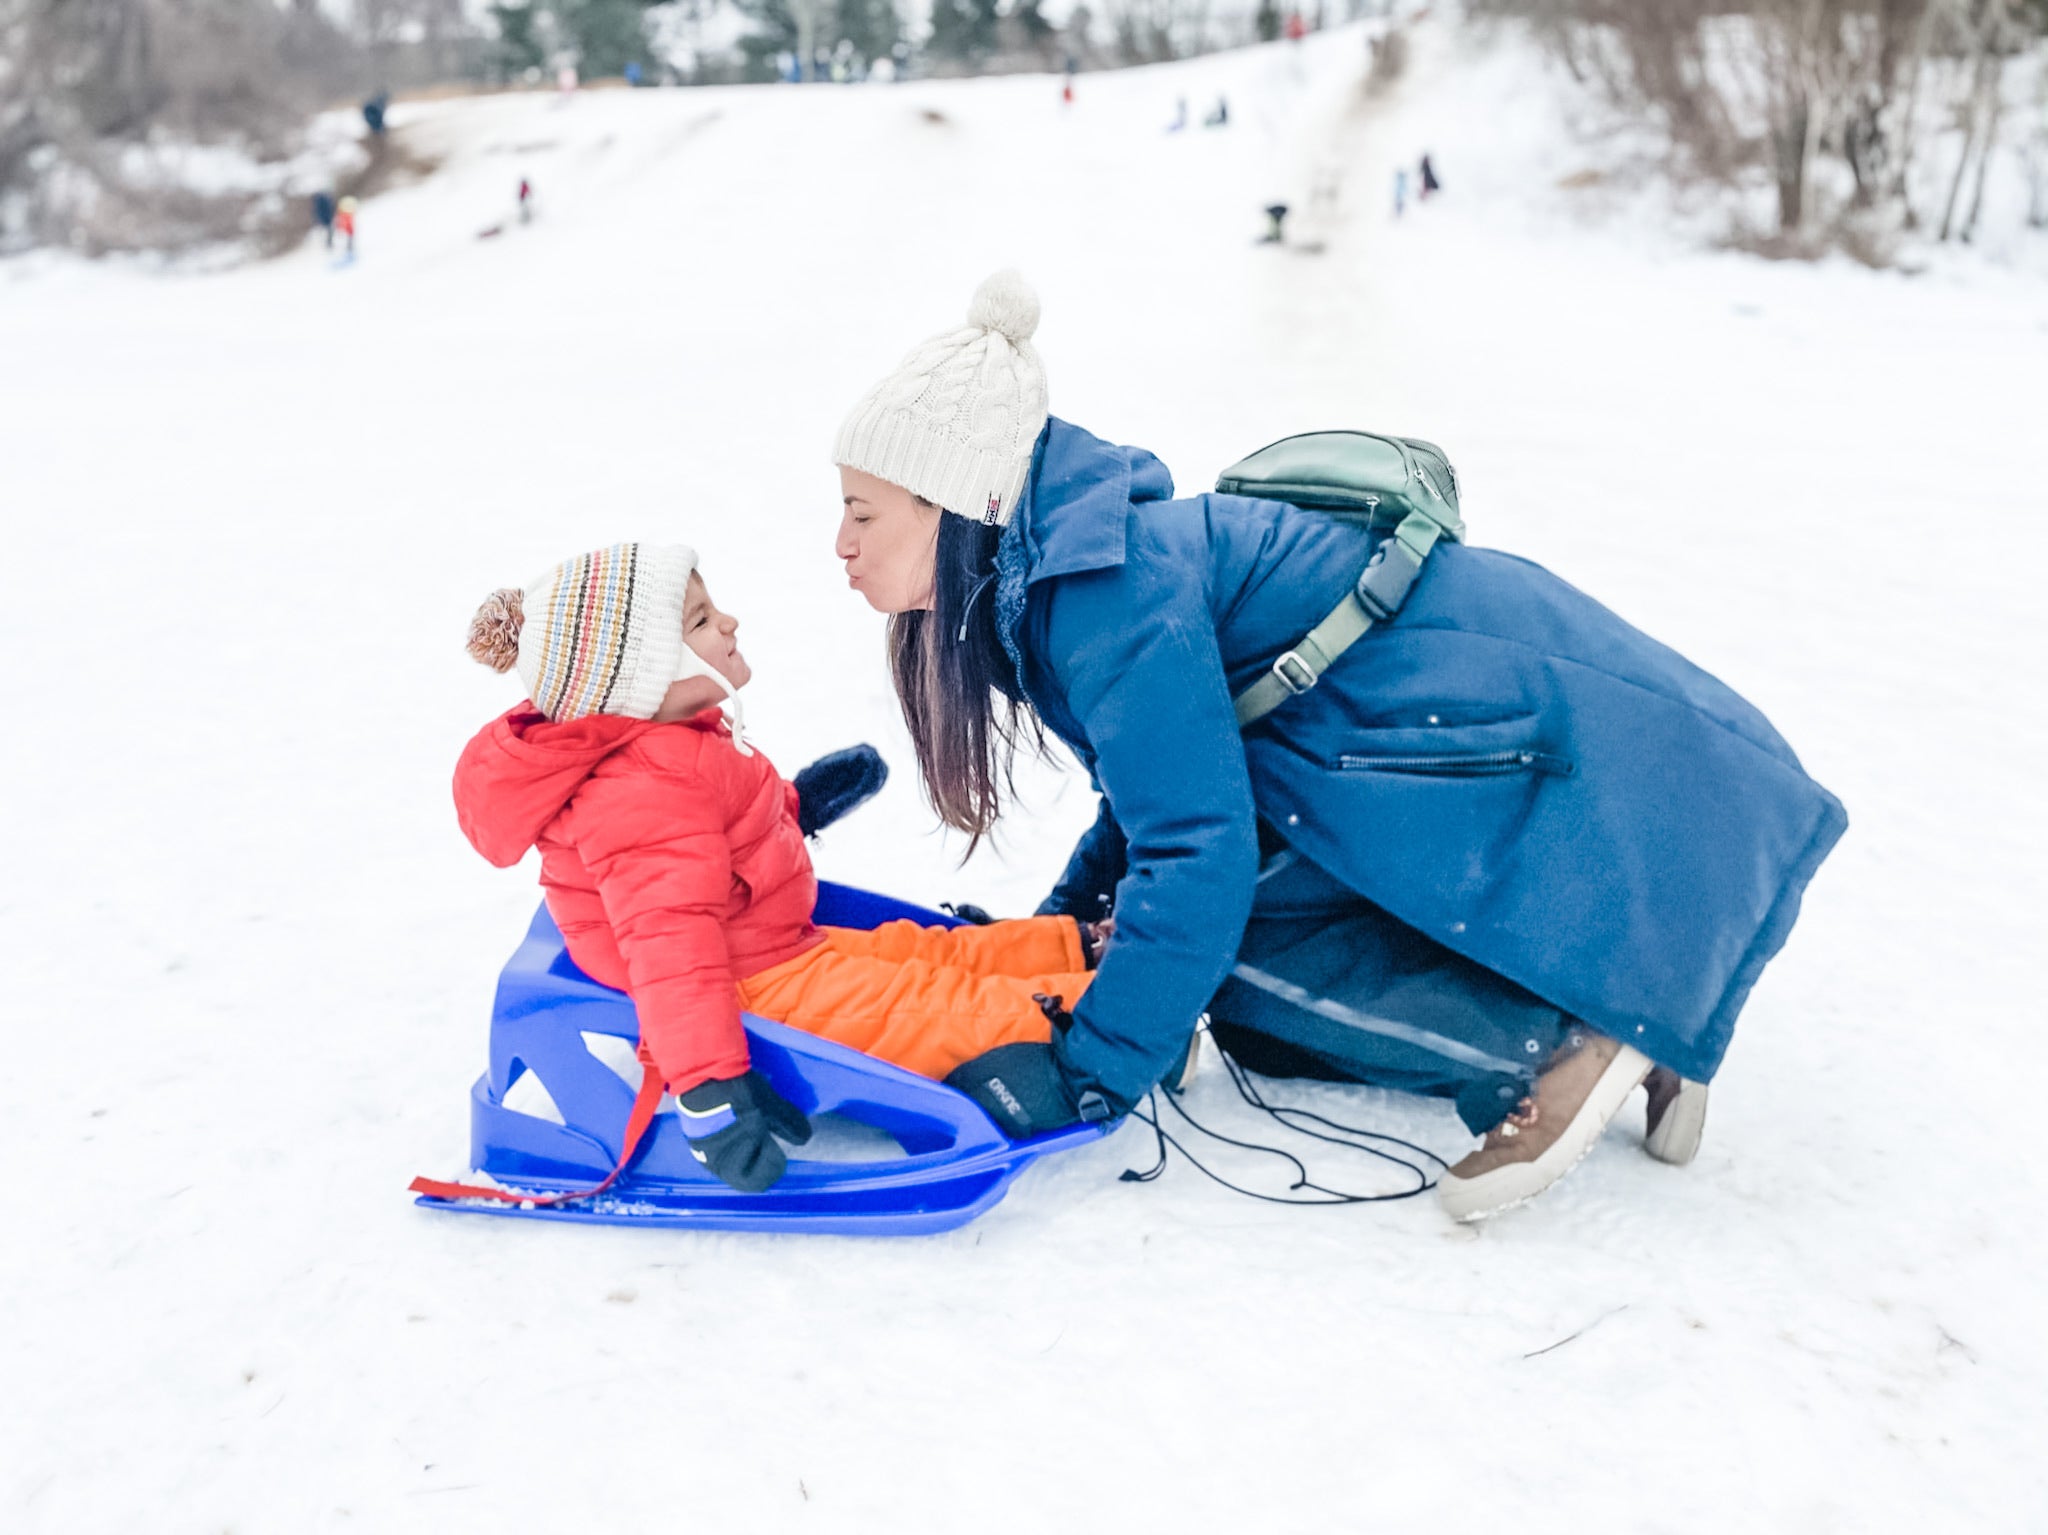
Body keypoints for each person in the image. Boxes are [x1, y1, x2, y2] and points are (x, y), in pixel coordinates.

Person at [829, 273, 1846, 1220]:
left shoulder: (1100, 594)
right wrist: (1054, 943)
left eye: (861, 511)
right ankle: (1616, 1010)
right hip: (1412, 734)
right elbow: (1147, 798)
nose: (840, 542)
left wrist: (1089, 1067)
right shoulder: (1056, 575)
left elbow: (1195, 851)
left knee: (1218, 954)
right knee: (1256, 1026)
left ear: (959, 505)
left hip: (1473, 722)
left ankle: (1556, 1046)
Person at [453, 542, 1105, 1191]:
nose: (728, 623)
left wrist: (797, 805)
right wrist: (708, 1093)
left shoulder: (669, 743)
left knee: (922, 954)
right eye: (701, 621)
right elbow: (671, 949)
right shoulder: (640, 789)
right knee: (933, 1010)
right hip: (741, 984)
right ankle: (1118, 1009)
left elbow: (713, 841)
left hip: (769, 945)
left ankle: (1077, 948)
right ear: (641, 675)